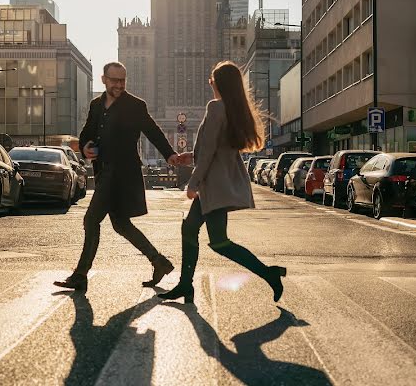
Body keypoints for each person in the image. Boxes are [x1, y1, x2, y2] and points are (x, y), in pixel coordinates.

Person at [158, 61, 286, 304]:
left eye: (211, 80)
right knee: (189, 228)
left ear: (218, 83)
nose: (210, 83)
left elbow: (208, 153)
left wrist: (193, 182)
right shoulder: (233, 109)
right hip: (215, 185)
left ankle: (269, 273)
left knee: (219, 242)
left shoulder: (216, 108)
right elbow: (215, 150)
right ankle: (185, 285)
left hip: (212, 187)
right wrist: (191, 159)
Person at [54, 62, 189, 292]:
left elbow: (152, 130)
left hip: (122, 174)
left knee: (91, 220)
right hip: (104, 171)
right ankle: (159, 262)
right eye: (114, 80)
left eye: (122, 81)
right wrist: (86, 146)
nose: (119, 85)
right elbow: (88, 133)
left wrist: (170, 154)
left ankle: (80, 275)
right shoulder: (96, 105)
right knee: (121, 224)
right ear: (104, 79)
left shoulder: (135, 105)